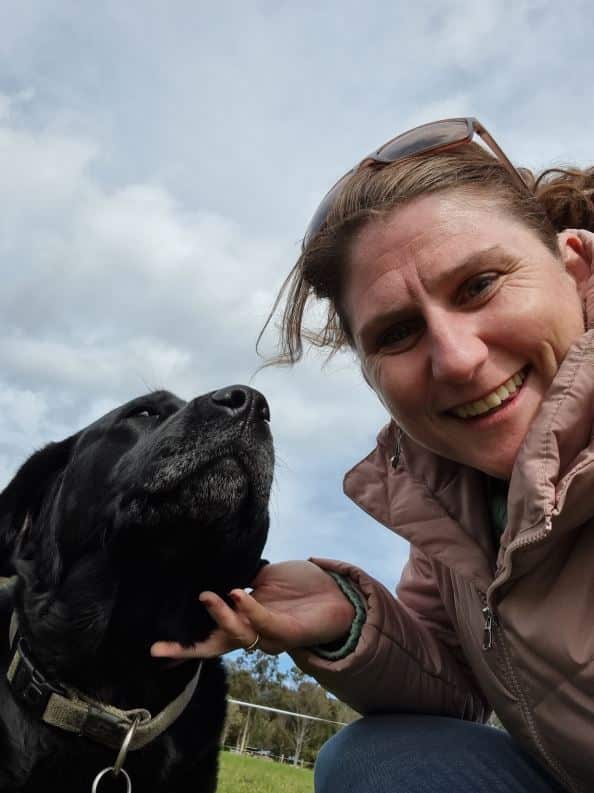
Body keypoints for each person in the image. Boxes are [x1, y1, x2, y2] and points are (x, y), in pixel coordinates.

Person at [151, 118, 594, 793]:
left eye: (479, 285)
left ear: (575, 266)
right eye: (398, 331)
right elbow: (456, 678)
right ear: (369, 373)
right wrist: (345, 613)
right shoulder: (452, 495)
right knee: (375, 759)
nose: (458, 358)